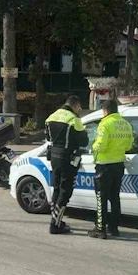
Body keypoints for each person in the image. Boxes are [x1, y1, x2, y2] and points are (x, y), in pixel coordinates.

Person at [87, 99, 133, 239]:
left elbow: (101, 146)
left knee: (101, 198)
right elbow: (129, 146)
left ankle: (100, 229)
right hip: (118, 164)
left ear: (105, 111)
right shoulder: (126, 124)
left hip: (104, 165)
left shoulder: (105, 124)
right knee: (114, 197)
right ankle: (114, 227)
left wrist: (93, 147)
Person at [45, 95, 88, 234]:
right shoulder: (74, 119)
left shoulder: (51, 116)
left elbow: (47, 137)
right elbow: (84, 141)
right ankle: (55, 225)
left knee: (57, 189)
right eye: (79, 107)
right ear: (75, 105)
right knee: (65, 191)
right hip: (67, 158)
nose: (79, 109)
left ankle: (56, 219)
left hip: (54, 156)